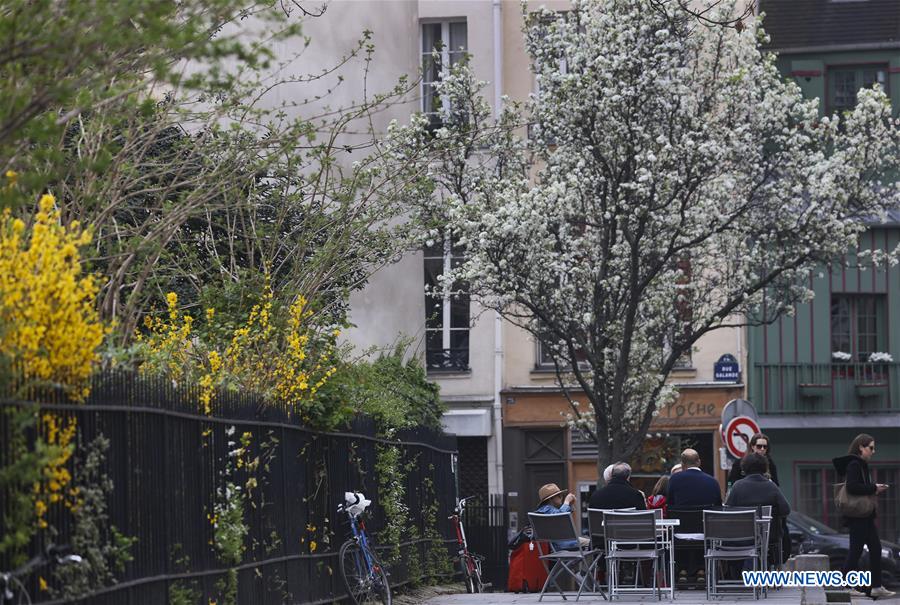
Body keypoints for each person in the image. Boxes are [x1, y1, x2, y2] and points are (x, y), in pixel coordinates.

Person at [833, 434, 895, 599]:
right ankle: (845, 585)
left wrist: (873, 487)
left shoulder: (860, 465)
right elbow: (853, 487)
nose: (873, 451)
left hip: (865, 516)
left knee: (875, 548)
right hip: (858, 516)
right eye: (871, 448)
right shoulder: (854, 464)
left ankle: (876, 586)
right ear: (861, 447)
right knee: (856, 551)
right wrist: (874, 488)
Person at [667, 449, 722, 584]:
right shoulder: (712, 481)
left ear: (683, 464)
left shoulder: (674, 480)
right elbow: (718, 507)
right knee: (701, 531)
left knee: (682, 532)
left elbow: (670, 504)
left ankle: (682, 570)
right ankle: (701, 570)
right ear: (699, 462)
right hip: (705, 532)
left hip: (679, 533)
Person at [535, 483, 591, 551]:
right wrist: (566, 502)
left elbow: (561, 517)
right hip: (562, 544)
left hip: (556, 545)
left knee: (588, 542)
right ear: (550, 499)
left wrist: (569, 505)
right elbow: (560, 517)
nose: (561, 497)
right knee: (593, 543)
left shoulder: (546, 510)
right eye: (558, 495)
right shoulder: (547, 509)